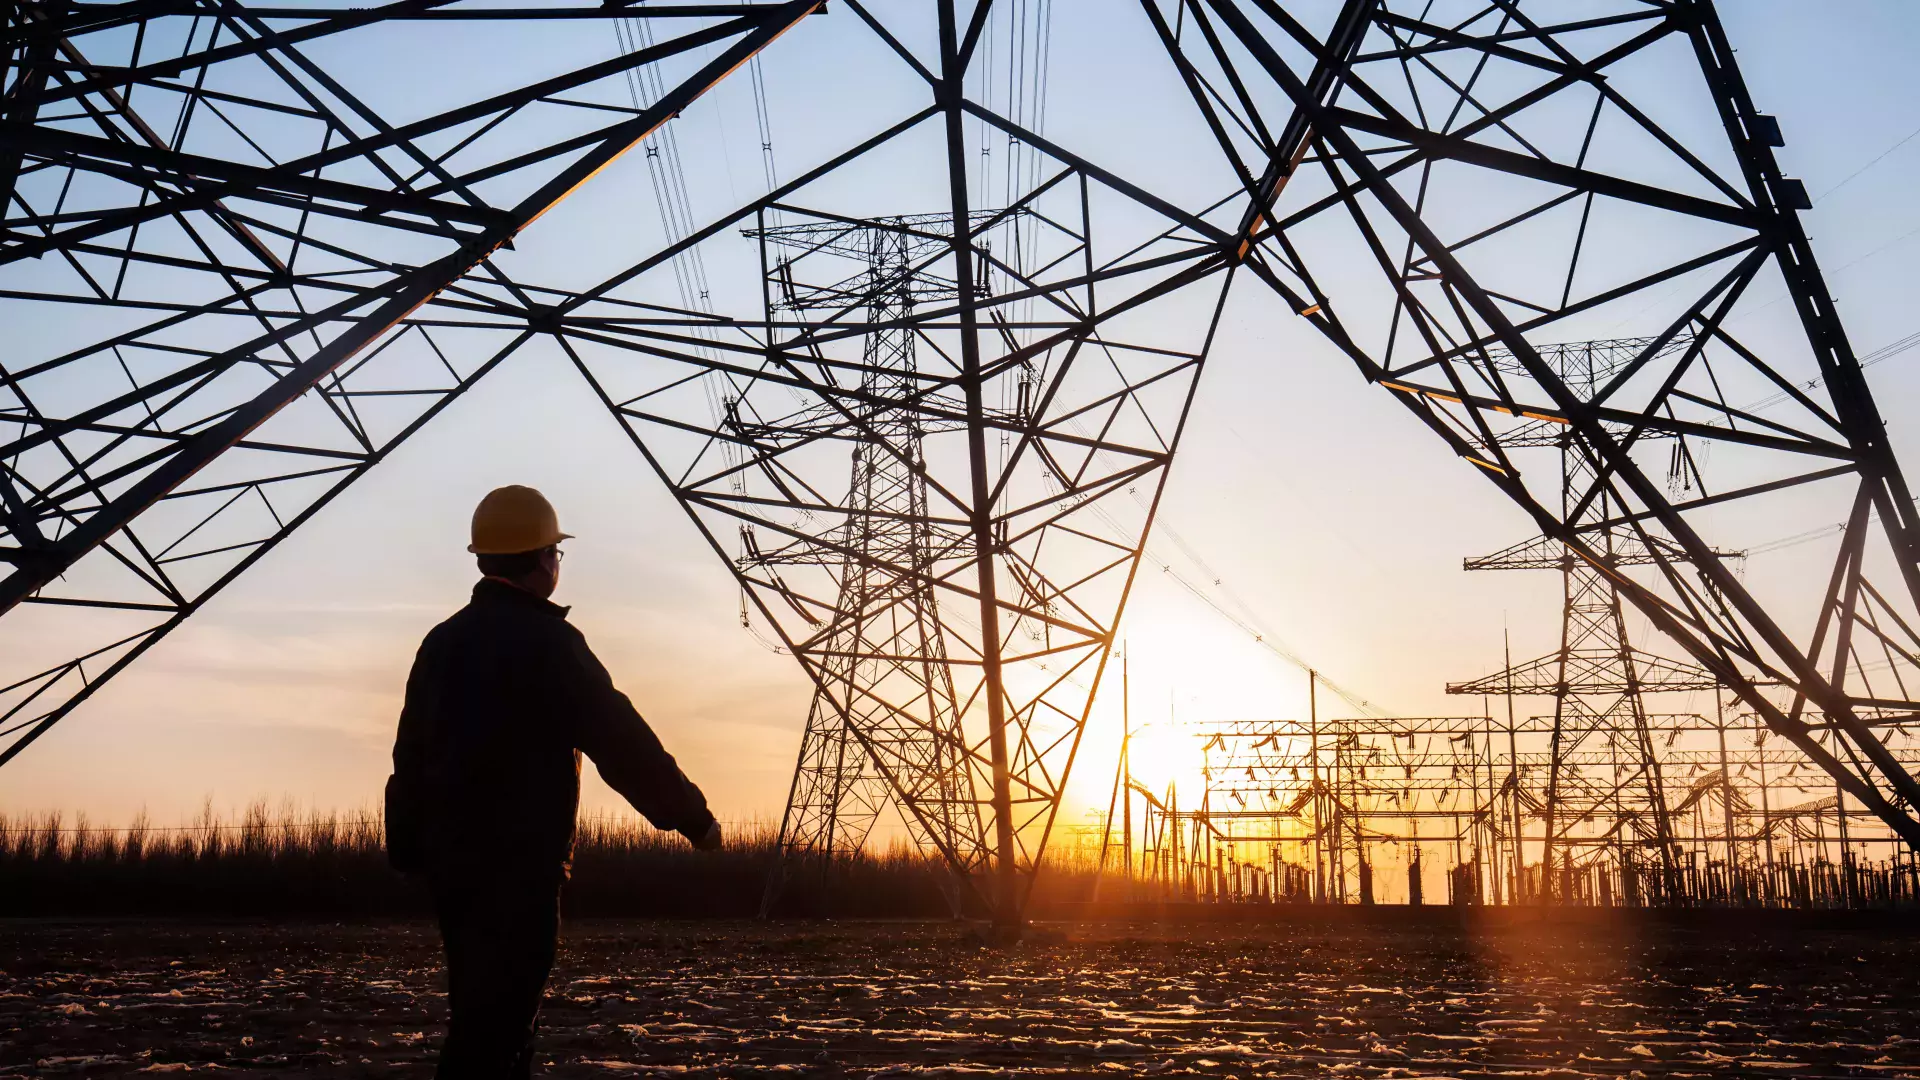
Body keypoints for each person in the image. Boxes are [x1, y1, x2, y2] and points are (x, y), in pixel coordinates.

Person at [386, 484, 721, 1079]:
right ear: (543, 559)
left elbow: (410, 751)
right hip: (519, 866)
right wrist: (690, 816)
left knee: (478, 1011)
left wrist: (411, 844)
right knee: (501, 1026)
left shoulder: (442, 642)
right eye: (557, 554)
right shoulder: (549, 644)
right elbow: (620, 740)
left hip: (450, 866)